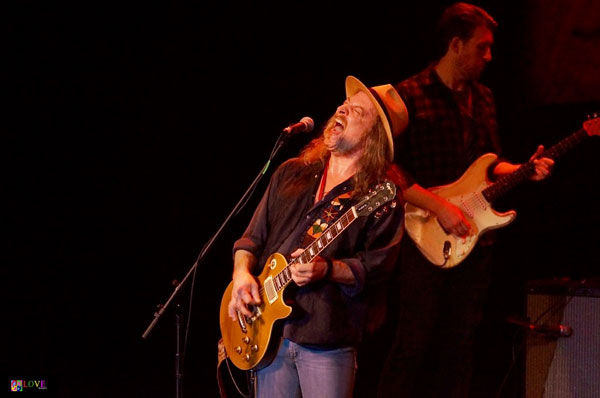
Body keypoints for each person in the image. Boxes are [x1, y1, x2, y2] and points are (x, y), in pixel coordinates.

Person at [377, 3, 555, 397]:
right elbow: (388, 171)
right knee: (413, 345)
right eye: (482, 47)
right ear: (456, 45)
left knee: (461, 347)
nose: (489, 57)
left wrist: (526, 168)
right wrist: (441, 207)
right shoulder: (408, 95)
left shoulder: (485, 98)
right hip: (423, 238)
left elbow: (491, 163)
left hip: (475, 239)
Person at [225, 75, 409, 398]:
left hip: (327, 340)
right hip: (270, 334)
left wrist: (327, 269)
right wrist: (241, 274)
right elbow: (250, 239)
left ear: (374, 137)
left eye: (357, 112)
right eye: (345, 104)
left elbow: (377, 267)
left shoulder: (379, 196)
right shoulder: (291, 173)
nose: (343, 109)